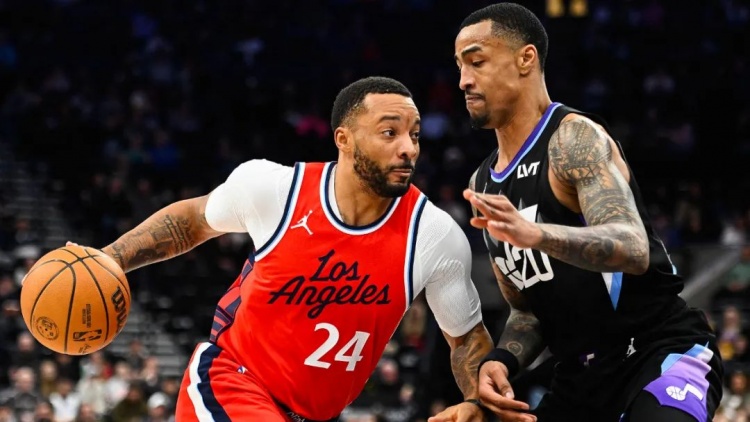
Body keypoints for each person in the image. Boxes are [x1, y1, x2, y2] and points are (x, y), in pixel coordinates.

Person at [83, 77, 495, 421]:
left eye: (414, 134)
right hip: (232, 382)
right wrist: (112, 257)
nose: (408, 147)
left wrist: (477, 402)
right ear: (344, 139)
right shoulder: (276, 190)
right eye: (390, 133)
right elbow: (192, 220)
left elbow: (466, 338)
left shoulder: (434, 235)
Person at [451, 3, 723, 422]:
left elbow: (633, 247)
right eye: (459, 66)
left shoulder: (573, 140)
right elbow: (527, 310)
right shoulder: (482, 184)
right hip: (580, 379)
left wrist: (538, 235)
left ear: (526, 59)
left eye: (476, 62)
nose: (464, 80)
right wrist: (502, 360)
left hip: (656, 350)